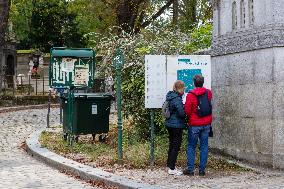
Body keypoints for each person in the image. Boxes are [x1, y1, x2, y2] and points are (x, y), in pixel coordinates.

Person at [183, 75, 212, 176]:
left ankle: (190, 169)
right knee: (204, 146)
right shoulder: (208, 92)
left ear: (194, 83)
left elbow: (187, 110)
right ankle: (202, 170)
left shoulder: (190, 95)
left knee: (191, 146)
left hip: (194, 124)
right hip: (206, 124)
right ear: (203, 82)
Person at [165, 80, 186, 176]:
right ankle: (172, 168)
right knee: (176, 146)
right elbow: (181, 113)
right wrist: (185, 112)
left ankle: (169, 165)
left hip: (169, 123)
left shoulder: (170, 96)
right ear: (180, 88)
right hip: (176, 125)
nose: (184, 90)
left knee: (171, 144)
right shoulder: (177, 98)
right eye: (183, 88)